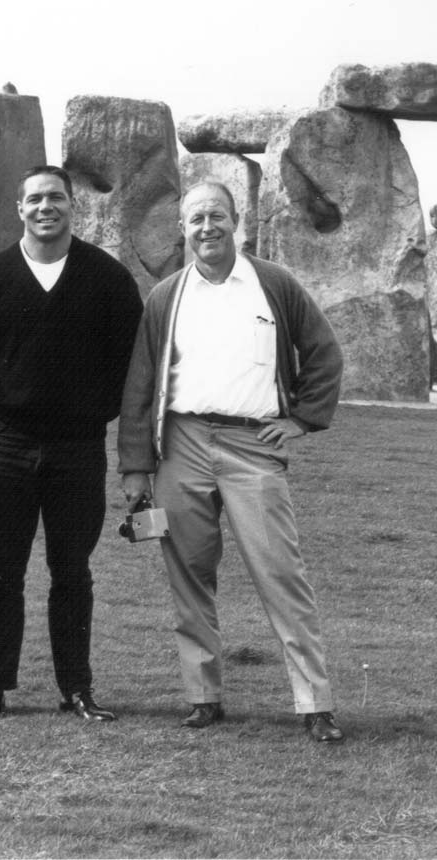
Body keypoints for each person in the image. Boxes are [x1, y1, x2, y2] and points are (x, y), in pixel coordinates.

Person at [118, 179, 344, 740]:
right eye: (195, 219)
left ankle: (315, 704)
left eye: (216, 215)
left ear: (236, 220)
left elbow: (323, 352)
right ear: (183, 229)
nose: (207, 228)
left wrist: (301, 418)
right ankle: (203, 697)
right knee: (189, 576)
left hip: (253, 447)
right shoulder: (167, 295)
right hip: (182, 446)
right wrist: (135, 467)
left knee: (280, 574)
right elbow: (141, 385)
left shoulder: (273, 283)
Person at [0, 165, 143, 722]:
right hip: (8, 443)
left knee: (72, 571)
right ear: (19, 208)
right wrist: (4, 408)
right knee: (2, 569)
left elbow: (128, 363)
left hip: (79, 447)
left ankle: (77, 688)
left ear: (71, 206)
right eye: (34, 199)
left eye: (55, 198)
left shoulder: (107, 279)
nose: (45, 208)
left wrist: (90, 414)